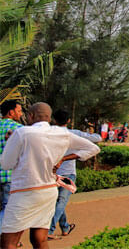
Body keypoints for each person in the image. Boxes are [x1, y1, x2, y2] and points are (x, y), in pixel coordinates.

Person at [0, 102, 100, 249]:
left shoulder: (23, 133)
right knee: (39, 239)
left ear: (31, 116)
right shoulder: (62, 133)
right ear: (49, 117)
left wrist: (11, 142)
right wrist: (63, 158)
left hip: (25, 191)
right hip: (48, 190)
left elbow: (6, 164)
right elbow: (93, 148)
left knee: (8, 242)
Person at [48, 110, 102, 240]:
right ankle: (50, 229)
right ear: (68, 121)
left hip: (51, 173)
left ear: (53, 120)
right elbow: (98, 138)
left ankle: (65, 227)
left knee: (57, 201)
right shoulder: (74, 133)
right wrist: (89, 129)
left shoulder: (48, 134)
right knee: (61, 201)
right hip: (68, 173)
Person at [0, 101, 23, 225]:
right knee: (8, 209)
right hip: (9, 176)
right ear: (11, 112)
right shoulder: (19, 129)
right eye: (19, 111)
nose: (20, 114)